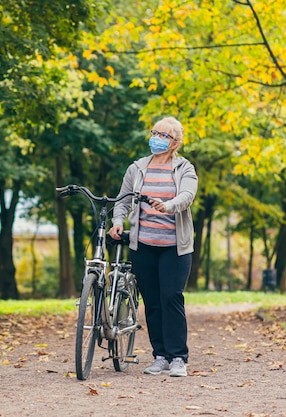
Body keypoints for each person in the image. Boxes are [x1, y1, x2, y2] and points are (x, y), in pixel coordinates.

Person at [108, 116, 198, 378]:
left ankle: (178, 357)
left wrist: (167, 205)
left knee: (171, 297)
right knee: (153, 302)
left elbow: (187, 196)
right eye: (154, 132)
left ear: (174, 143)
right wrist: (117, 221)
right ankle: (160, 356)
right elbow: (122, 200)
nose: (156, 138)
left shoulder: (184, 168)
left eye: (163, 135)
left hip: (174, 247)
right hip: (143, 245)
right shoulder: (137, 168)